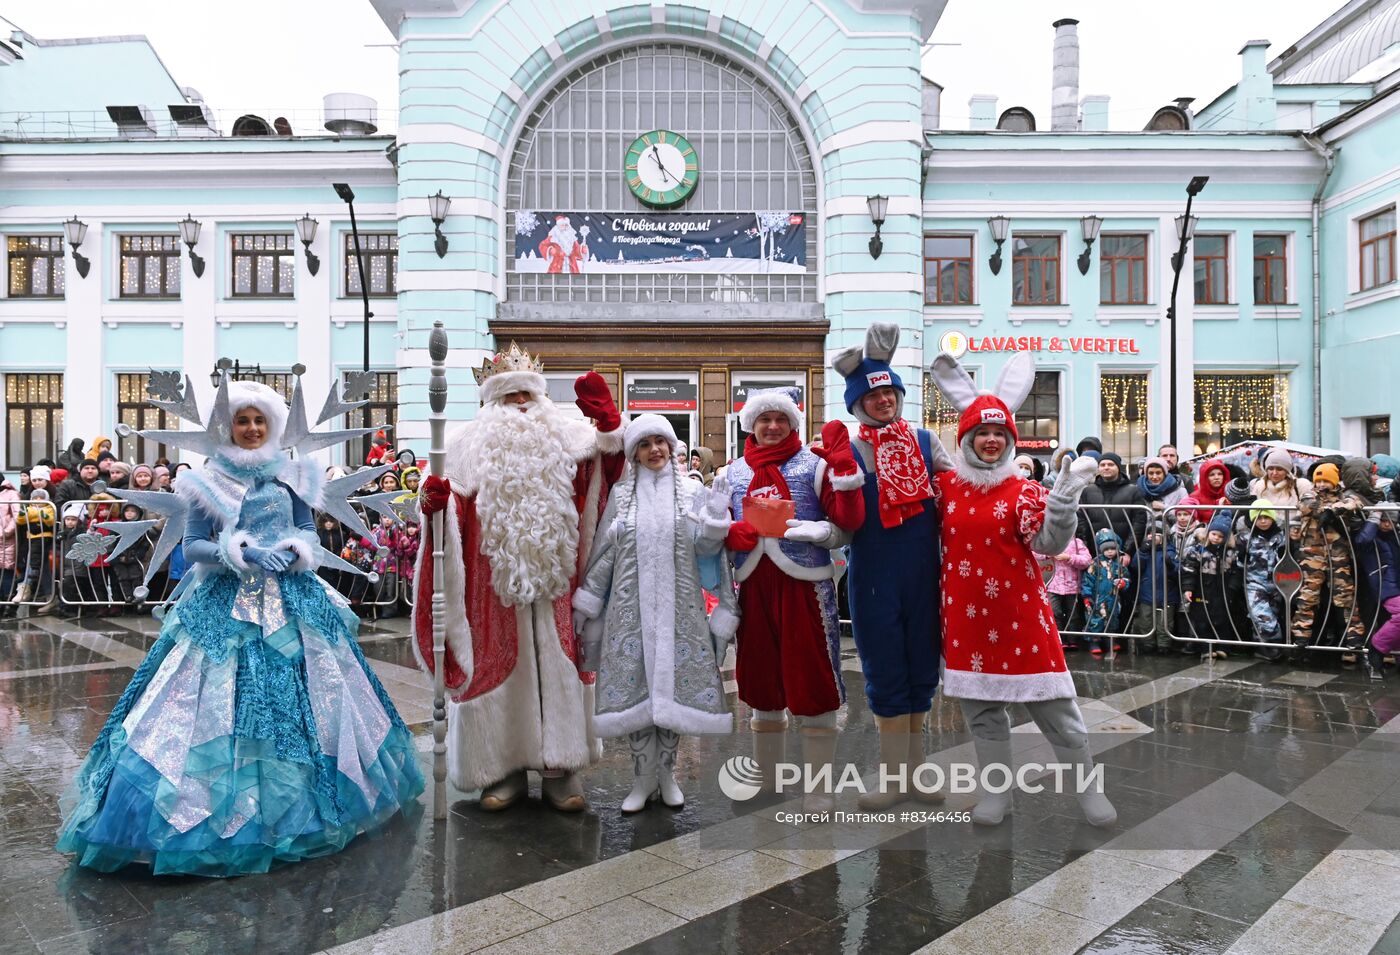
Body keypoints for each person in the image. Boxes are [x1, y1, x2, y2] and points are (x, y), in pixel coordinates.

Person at [56, 378, 424, 875]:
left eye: (258, 421)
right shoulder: (205, 482)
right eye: (242, 421)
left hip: (292, 599)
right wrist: (243, 552)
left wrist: (294, 551)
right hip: (226, 600)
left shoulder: (293, 476)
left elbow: (308, 532)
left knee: (319, 692)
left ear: (270, 425)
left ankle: (305, 809)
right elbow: (193, 546)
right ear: (228, 427)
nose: (251, 429)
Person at [412, 345, 625, 813]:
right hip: (493, 581)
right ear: (493, 403)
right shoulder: (468, 445)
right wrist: (434, 506)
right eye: (510, 397)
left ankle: (559, 767)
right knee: (498, 664)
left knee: (559, 665)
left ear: (543, 396)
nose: (522, 403)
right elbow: (449, 508)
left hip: (558, 580)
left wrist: (611, 431)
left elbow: (607, 480)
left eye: (528, 392)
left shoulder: (569, 436)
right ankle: (503, 768)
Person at [927, 352, 1115, 827]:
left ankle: (1088, 791)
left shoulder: (1024, 490)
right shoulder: (945, 487)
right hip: (967, 618)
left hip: (1021, 615)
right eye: (981, 433)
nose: (990, 441)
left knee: (1056, 709)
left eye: (999, 434)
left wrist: (1064, 500)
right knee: (983, 714)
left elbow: (1050, 543)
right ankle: (997, 796)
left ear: (1010, 440)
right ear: (966, 438)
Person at [573, 414, 736, 813]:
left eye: (660, 442)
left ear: (672, 445)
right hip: (631, 612)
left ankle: (667, 774)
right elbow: (605, 553)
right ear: (634, 453)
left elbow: (708, 553)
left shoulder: (691, 493)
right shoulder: (622, 495)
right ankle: (643, 777)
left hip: (681, 612)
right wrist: (589, 598)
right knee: (638, 689)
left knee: (672, 689)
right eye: (645, 445)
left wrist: (715, 522)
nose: (654, 451)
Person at [722, 386, 864, 811]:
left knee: (813, 681)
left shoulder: (816, 467)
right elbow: (712, 530)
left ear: (792, 424)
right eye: (764, 419)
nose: (772, 426)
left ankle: (818, 788)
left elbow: (845, 526)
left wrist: (822, 533)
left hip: (805, 585)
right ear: (751, 424)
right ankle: (769, 780)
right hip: (753, 585)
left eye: (780, 419)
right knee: (762, 684)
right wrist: (729, 537)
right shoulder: (731, 473)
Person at [832, 323, 952, 808]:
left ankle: (916, 772)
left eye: (889, 393)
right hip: (874, 573)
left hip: (925, 572)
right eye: (872, 396)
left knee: (921, 665)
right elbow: (836, 514)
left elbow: (960, 490)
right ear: (858, 404)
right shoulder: (849, 451)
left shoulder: (925, 442)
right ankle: (890, 775)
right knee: (884, 667)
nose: (883, 402)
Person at [1292, 462, 1367, 653]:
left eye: (1326, 480)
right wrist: (1330, 509)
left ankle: (1354, 636)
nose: (1322, 484)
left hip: (1338, 553)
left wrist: (1334, 510)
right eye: (1319, 480)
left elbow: (1355, 503)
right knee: (1308, 595)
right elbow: (1307, 506)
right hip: (1312, 554)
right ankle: (1300, 636)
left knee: (1346, 594)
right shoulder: (1309, 494)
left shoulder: (1345, 496)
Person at [1180, 512, 1238, 652]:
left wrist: (1232, 588)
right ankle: (1206, 648)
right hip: (1203, 586)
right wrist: (1188, 588)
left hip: (1222, 587)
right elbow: (1189, 570)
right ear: (1209, 533)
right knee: (1202, 619)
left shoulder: (1231, 552)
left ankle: (1223, 647)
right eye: (1214, 534)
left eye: (1220, 536)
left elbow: (1237, 571)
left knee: (1222, 618)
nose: (1216, 538)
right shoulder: (1198, 550)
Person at [1237, 504, 1287, 660]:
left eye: (1266, 517)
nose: (1263, 521)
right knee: (1262, 615)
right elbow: (1240, 564)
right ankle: (1274, 644)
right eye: (1259, 518)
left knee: (1273, 613)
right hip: (1255, 581)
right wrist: (1240, 556)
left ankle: (1262, 647)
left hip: (1277, 583)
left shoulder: (1281, 536)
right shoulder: (1246, 537)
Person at [1128, 519, 1177, 654]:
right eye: (1150, 534)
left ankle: (1164, 646)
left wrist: (1171, 565)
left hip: (1167, 595)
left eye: (1156, 534)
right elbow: (1135, 566)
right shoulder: (1144, 550)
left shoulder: (1170, 551)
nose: (1151, 536)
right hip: (1147, 594)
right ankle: (1147, 645)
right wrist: (1143, 552)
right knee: (1146, 621)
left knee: (1165, 623)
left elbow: (1177, 571)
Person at [1081, 530, 1130, 655]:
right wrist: (1086, 596)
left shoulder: (1119, 564)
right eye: (1106, 549)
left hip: (1113, 597)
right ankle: (1094, 641)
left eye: (1113, 549)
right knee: (1095, 619)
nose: (1110, 552)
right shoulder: (1095, 563)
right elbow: (1087, 580)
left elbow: (1126, 578)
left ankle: (1110, 640)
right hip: (1096, 598)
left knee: (1112, 619)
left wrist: (1123, 583)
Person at [1037, 535, 1090, 649]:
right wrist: (1048, 554)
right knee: (1055, 612)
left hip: (1072, 585)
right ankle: (1059, 639)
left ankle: (1073, 640)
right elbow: (1035, 553)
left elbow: (1086, 561)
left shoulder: (1077, 543)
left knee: (1073, 614)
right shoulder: (1049, 541)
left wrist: (1069, 557)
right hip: (1052, 584)